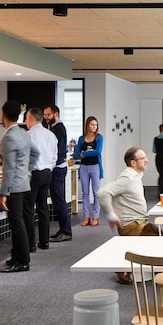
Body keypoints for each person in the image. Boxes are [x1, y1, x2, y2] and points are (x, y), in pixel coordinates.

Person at [98, 147, 159, 285]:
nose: (147, 160)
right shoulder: (127, 177)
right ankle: (122, 266)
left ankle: (125, 264)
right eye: (143, 158)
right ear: (133, 162)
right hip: (132, 225)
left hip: (139, 223)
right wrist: (111, 215)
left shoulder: (134, 176)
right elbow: (103, 193)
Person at [0, 100, 37, 273]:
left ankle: (22, 261)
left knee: (16, 224)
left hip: (13, 186)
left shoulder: (9, 137)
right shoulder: (23, 133)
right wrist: (26, 170)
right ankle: (17, 256)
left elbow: (9, 168)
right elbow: (35, 153)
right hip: (22, 182)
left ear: (3, 115)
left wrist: (3, 193)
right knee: (18, 222)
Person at [24, 107, 57, 251]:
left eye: (26, 118)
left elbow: (25, 157)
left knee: (28, 208)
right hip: (47, 173)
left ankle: (30, 244)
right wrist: (49, 167)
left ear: (31, 118)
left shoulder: (28, 135)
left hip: (34, 174)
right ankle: (44, 241)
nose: (25, 121)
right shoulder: (51, 135)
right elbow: (55, 156)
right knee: (43, 207)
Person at [44, 105, 72, 243]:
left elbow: (59, 151)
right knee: (57, 200)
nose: (46, 118)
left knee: (59, 200)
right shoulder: (54, 127)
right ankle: (63, 230)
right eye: (44, 115)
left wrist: (51, 165)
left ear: (56, 114)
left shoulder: (58, 128)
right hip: (57, 167)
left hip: (58, 168)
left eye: (48, 115)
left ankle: (66, 231)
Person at [73, 115, 103, 227]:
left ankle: (96, 217)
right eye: (92, 124)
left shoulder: (99, 138)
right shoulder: (81, 138)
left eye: (96, 125)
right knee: (85, 193)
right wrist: (81, 154)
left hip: (95, 166)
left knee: (96, 193)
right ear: (87, 125)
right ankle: (86, 217)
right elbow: (76, 153)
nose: (94, 127)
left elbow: (98, 151)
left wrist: (84, 153)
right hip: (84, 167)